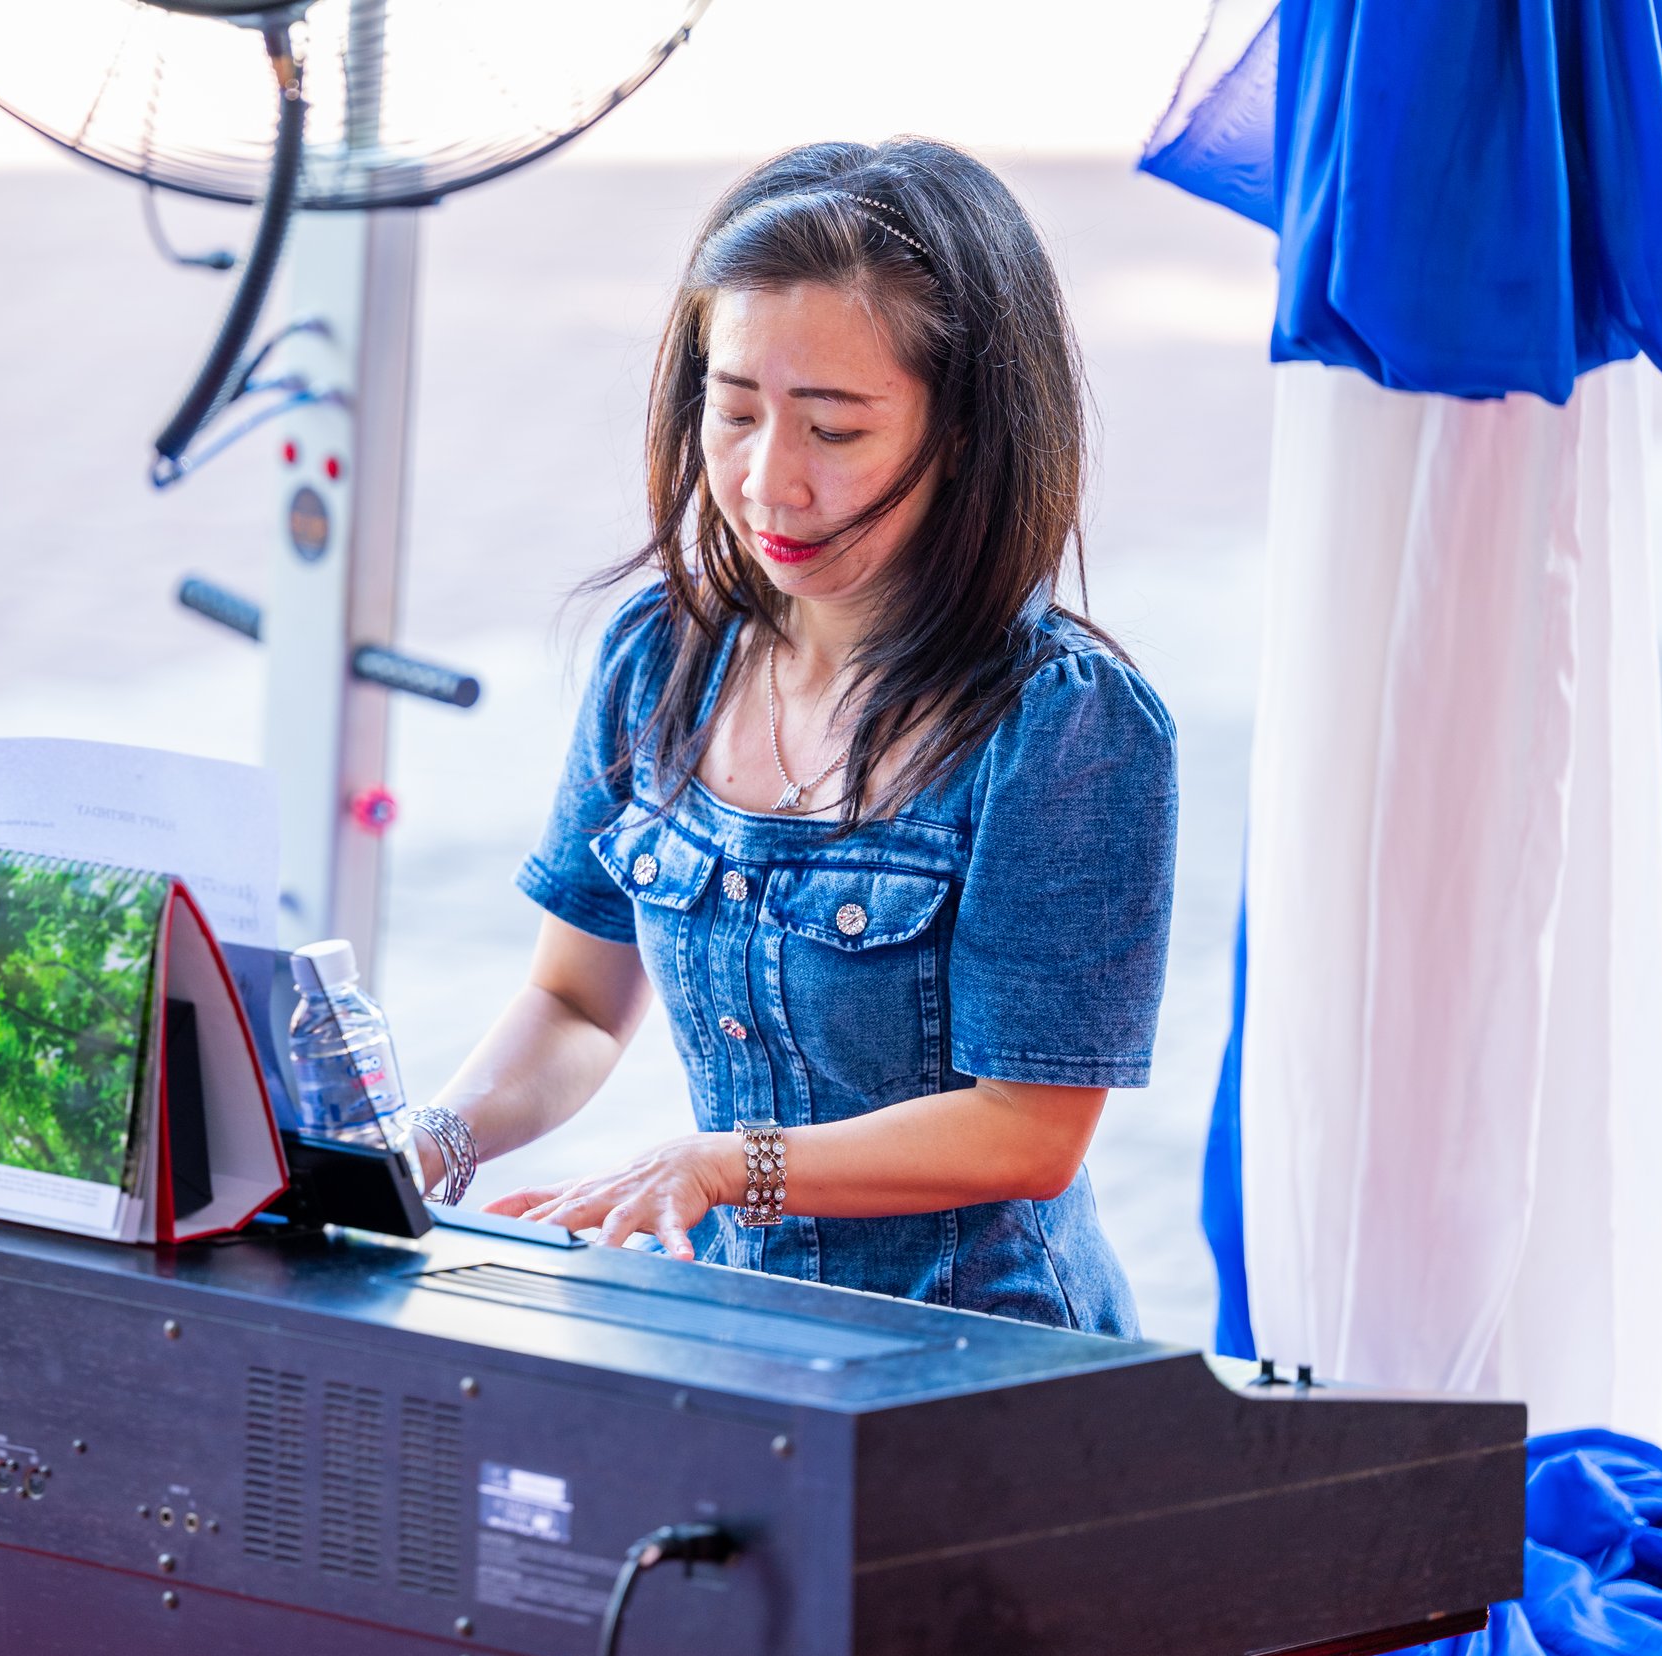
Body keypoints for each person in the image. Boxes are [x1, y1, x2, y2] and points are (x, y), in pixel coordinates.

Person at [401, 138, 1177, 1336]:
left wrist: (720, 1165)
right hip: (744, 1327)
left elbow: (1030, 1129)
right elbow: (573, 1000)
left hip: (983, 1353)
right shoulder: (659, 653)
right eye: (734, 409)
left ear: (966, 433)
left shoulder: (1065, 723)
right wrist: (433, 1141)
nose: (769, 482)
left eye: (833, 427)